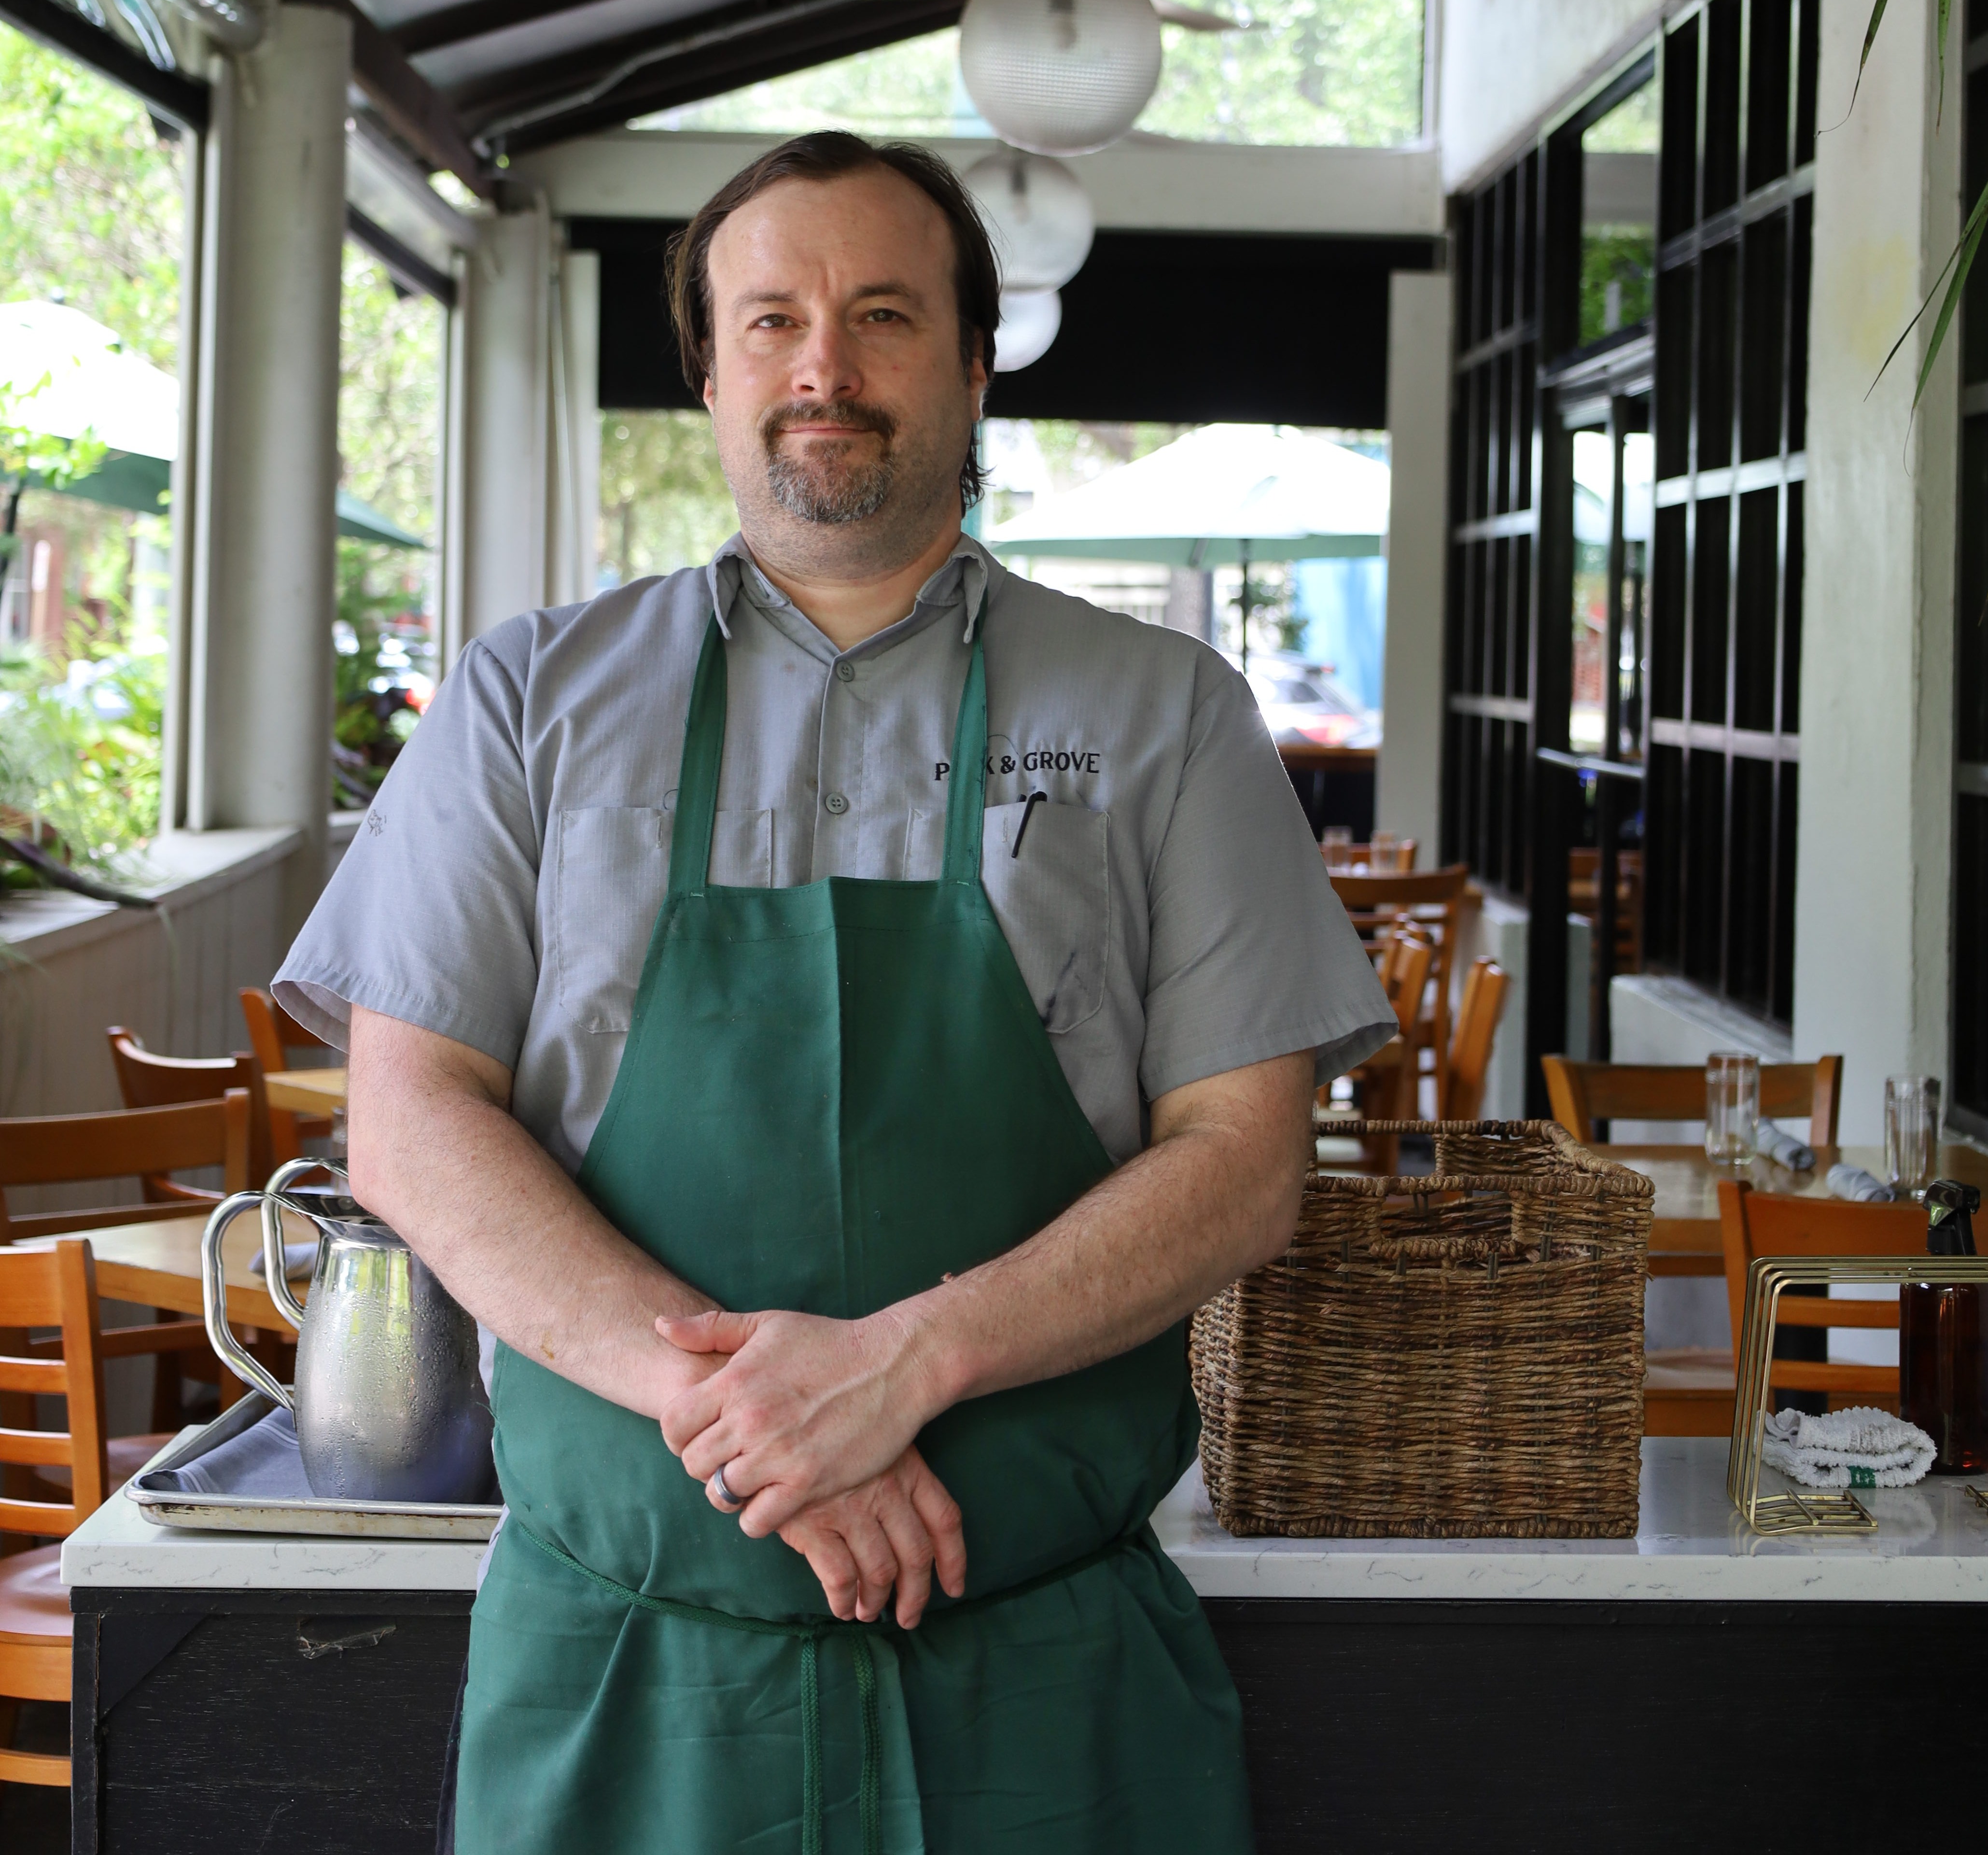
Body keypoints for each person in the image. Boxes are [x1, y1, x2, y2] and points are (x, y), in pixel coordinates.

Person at [276, 130, 1394, 1855]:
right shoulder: (525, 701)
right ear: (709, 371)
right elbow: (412, 1124)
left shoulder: (1170, 711)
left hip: (1048, 1676)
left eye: (881, 313)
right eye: (773, 317)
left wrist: (910, 1359)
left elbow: (1249, 1158)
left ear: (972, 360)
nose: (824, 365)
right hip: (626, 1675)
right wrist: (764, 1419)